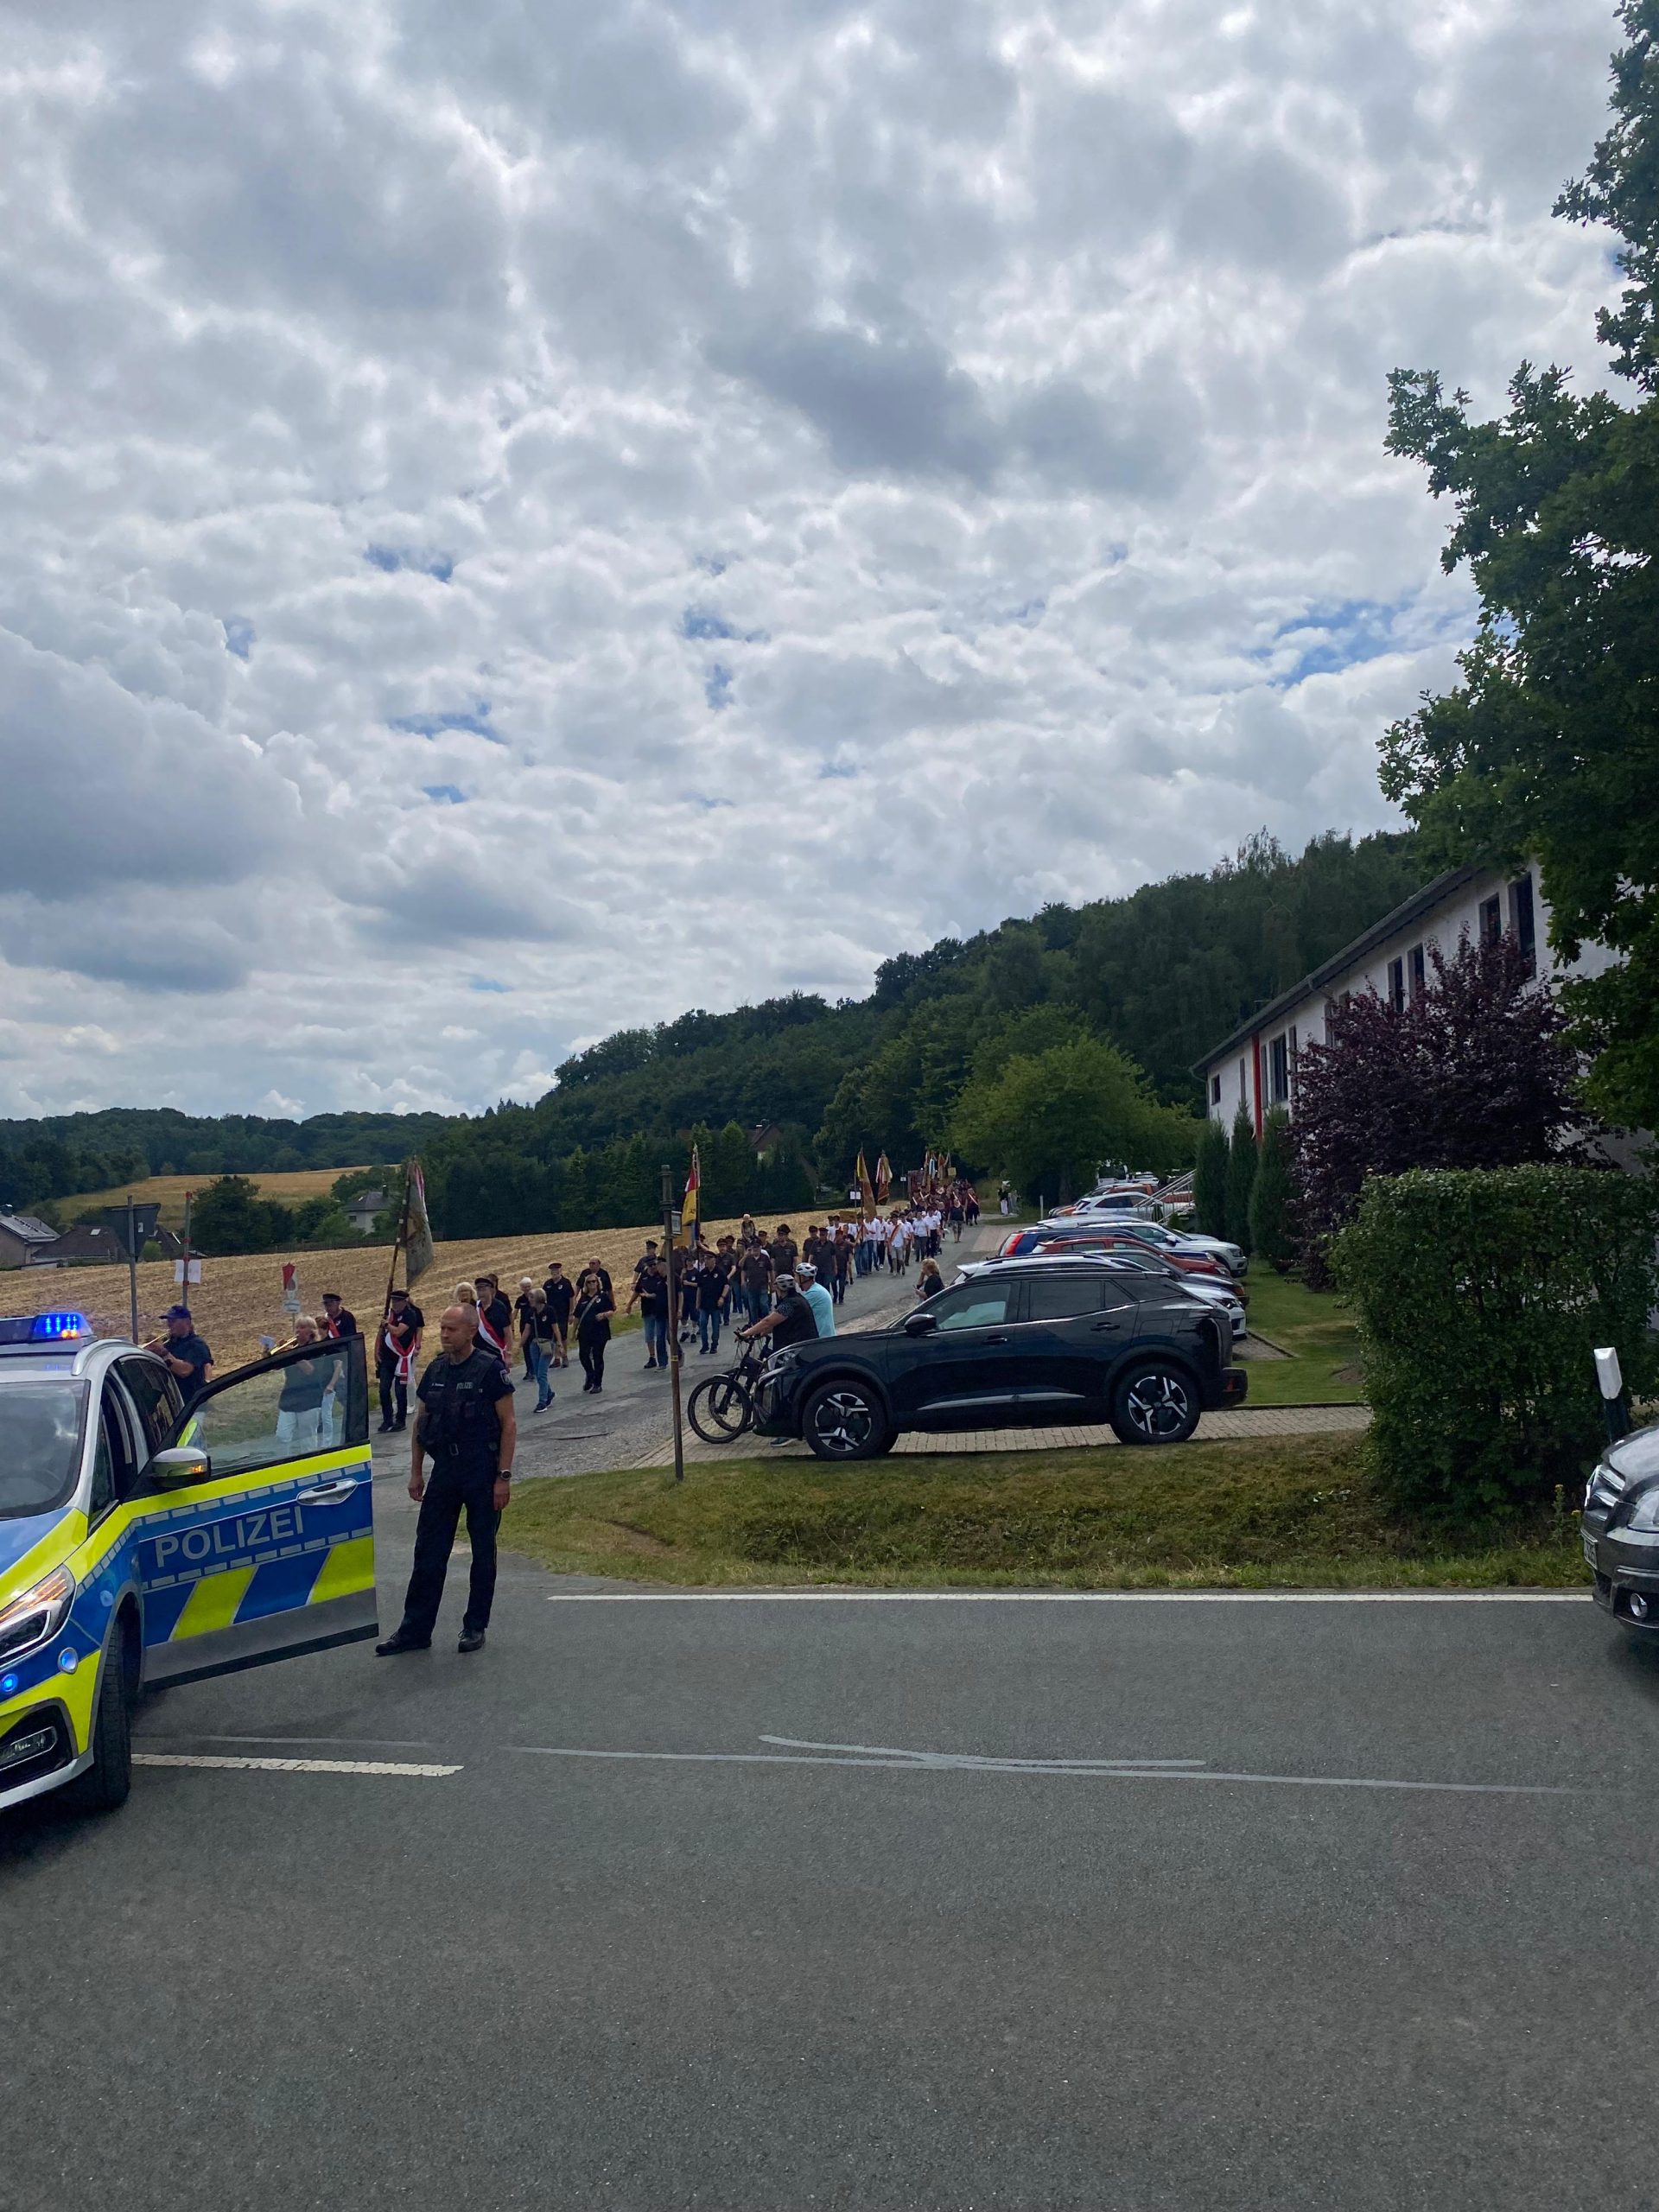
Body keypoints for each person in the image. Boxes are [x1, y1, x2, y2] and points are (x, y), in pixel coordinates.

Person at [376, 1303, 516, 1657]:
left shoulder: (489, 1369)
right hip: (445, 1471)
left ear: (471, 1331)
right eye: (441, 1328)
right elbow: (420, 1423)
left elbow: (509, 1424)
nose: (444, 1334)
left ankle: (474, 1626)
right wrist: (416, 1471)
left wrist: (503, 1477)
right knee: (428, 1550)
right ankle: (415, 1630)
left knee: (482, 1551)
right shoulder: (436, 1369)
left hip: (481, 1469)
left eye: (451, 1329)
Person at [275, 1316, 340, 1446]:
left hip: (309, 1399)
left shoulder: (317, 1349)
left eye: (302, 1327)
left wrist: (293, 1354)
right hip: (289, 1398)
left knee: (308, 1439)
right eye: (297, 1327)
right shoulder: (293, 1349)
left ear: (311, 1332)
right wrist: (272, 1352)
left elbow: (311, 1371)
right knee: (282, 1436)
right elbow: (276, 1366)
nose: (298, 1331)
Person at [376, 1287, 424, 1432]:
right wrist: (376, 1352)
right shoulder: (389, 1314)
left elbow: (398, 1332)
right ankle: (387, 1419)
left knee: (400, 1390)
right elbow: (381, 1334)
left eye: (397, 1301)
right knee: (383, 1390)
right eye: (393, 1301)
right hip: (387, 1358)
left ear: (404, 1302)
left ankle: (400, 1421)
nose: (395, 1304)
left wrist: (386, 1324)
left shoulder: (410, 1315)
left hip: (401, 1357)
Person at [145, 1305, 214, 1404]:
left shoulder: (197, 1345)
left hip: (193, 1403)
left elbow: (184, 1371)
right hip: (177, 1402)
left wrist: (163, 1353)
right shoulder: (170, 1343)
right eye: (168, 1321)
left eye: (173, 1321)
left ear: (186, 1322)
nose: (169, 1325)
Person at [737, 1273, 817, 1351]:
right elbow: (779, 1322)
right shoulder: (797, 1299)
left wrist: (745, 1334)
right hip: (803, 1346)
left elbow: (768, 1321)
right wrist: (761, 1331)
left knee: (776, 1358)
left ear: (779, 1289)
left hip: (798, 1349)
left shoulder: (790, 1304)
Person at [574, 1269, 615, 1393]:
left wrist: (604, 1314)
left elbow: (611, 1311)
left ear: (598, 1283)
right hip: (585, 1332)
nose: (592, 1284)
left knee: (597, 1356)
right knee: (583, 1356)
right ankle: (590, 1374)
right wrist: (574, 1331)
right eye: (589, 1282)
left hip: (600, 1331)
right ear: (586, 1284)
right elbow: (577, 1316)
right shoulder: (583, 1299)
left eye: (594, 1281)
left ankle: (597, 1383)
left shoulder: (603, 1297)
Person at [626, 1258, 671, 1370]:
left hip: (660, 1309)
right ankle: (652, 1357)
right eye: (650, 1266)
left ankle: (673, 1354)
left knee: (663, 1336)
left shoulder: (661, 1275)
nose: (653, 1267)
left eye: (654, 1265)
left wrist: (651, 1296)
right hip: (647, 1309)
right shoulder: (644, 1276)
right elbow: (637, 1291)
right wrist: (629, 1304)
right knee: (649, 1335)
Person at [520, 1290, 556, 1411]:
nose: (529, 1299)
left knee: (542, 1373)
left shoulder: (549, 1310)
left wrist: (559, 1344)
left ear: (538, 1298)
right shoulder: (531, 1312)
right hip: (534, 1344)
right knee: (537, 1372)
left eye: (532, 1297)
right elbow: (527, 1329)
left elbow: (555, 1328)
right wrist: (521, 1344)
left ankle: (542, 1402)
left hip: (547, 1344)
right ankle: (549, 1393)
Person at [696, 1242, 728, 1356]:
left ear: (714, 1260)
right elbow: (699, 1288)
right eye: (705, 1259)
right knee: (703, 1324)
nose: (706, 1261)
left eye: (709, 1259)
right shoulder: (703, 1273)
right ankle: (704, 1345)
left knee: (715, 1326)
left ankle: (714, 1345)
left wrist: (722, 1298)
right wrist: (697, 1303)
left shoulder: (719, 1272)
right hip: (704, 1304)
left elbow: (726, 1285)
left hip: (715, 1303)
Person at [474, 1273, 514, 1363]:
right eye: (479, 1290)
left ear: (491, 1290)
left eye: (484, 1290)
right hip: (480, 1354)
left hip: (496, 1353)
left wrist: (508, 1354)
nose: (481, 1293)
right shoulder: (475, 1307)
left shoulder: (499, 1307)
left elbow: (507, 1332)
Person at [542, 1261, 573, 1367]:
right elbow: (543, 1300)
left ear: (560, 1271)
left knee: (562, 1336)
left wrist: (571, 1313)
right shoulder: (547, 1285)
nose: (554, 1272)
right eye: (553, 1271)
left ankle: (564, 1357)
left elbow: (571, 1298)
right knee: (554, 1337)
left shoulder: (566, 1283)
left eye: (556, 1270)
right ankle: (556, 1358)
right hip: (551, 1315)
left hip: (563, 1314)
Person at [738, 1236, 773, 1327]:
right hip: (751, 1286)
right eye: (754, 1247)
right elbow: (742, 1268)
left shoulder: (765, 1258)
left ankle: (765, 1323)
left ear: (760, 1247)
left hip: (763, 1285)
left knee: (764, 1304)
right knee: (752, 1307)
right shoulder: (748, 1258)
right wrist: (743, 1281)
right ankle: (755, 1325)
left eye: (757, 1247)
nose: (755, 1249)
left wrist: (772, 1283)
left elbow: (770, 1270)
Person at [797, 1261, 836, 1338]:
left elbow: (795, 1311)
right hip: (825, 1336)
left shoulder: (814, 1293)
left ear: (804, 1277)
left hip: (821, 1338)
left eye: (797, 1276)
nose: (795, 1280)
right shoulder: (816, 1289)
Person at [514, 1277, 538, 1379]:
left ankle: (536, 1370)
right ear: (522, 1288)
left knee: (535, 1349)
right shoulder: (520, 1299)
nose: (527, 1289)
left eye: (529, 1286)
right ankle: (529, 1370)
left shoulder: (536, 1297)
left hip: (535, 1326)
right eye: (525, 1287)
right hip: (524, 1327)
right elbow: (514, 1313)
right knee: (526, 1350)